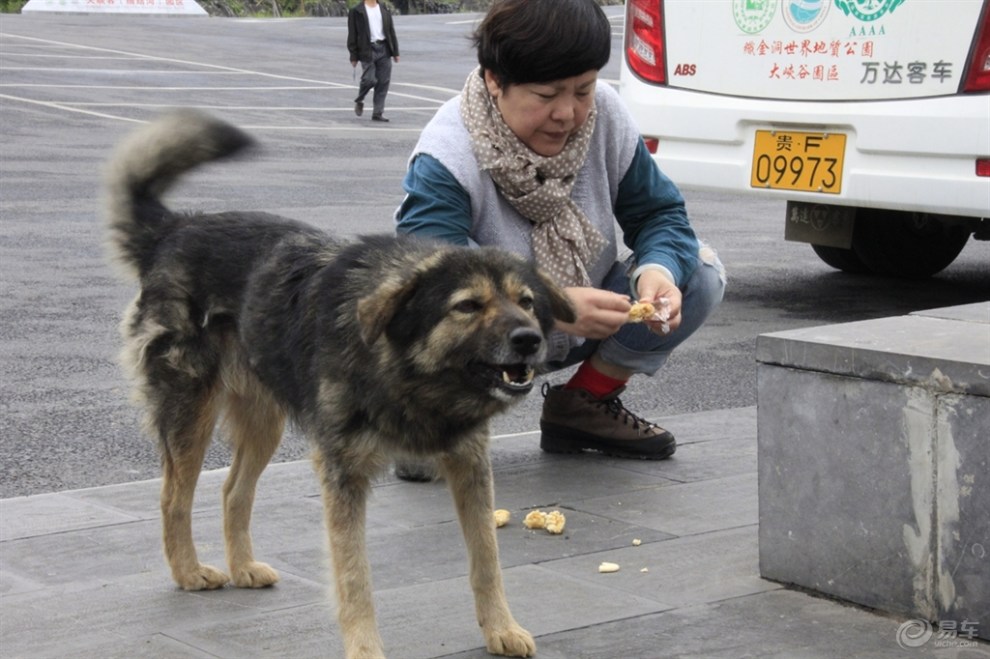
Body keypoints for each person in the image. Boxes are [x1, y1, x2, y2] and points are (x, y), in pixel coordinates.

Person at [394, 0, 725, 476]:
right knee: (423, 464)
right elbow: (431, 274)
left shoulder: (605, 116)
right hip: (476, 344)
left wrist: (657, 271)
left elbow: (661, 214)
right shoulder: (447, 155)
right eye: (547, 94)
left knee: (699, 273)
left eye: (583, 90)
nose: (568, 113)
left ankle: (585, 405)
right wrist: (549, 306)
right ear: (494, 79)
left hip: (582, 314)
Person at [347, 0, 399, 122]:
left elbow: (391, 31)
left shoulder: (383, 9)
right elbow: (352, 35)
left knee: (383, 82)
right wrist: (353, 56)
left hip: (384, 48)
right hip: (367, 49)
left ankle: (378, 112)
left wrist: (395, 52)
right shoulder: (356, 11)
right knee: (369, 79)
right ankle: (360, 99)